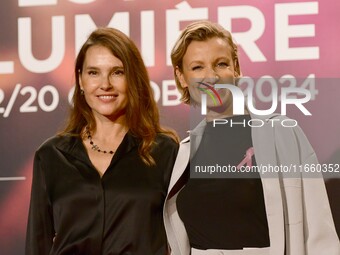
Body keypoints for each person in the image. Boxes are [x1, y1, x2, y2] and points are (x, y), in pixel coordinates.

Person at [163, 20, 340, 255]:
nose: (211, 76)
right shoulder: (182, 154)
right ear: (182, 77)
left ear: (235, 68)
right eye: (197, 67)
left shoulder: (281, 134)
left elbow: (320, 234)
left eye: (221, 64)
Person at [26, 27, 179, 255]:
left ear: (133, 79)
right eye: (93, 72)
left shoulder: (165, 152)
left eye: (117, 72)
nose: (105, 84)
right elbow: (37, 244)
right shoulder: (51, 155)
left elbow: (184, 237)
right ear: (80, 80)